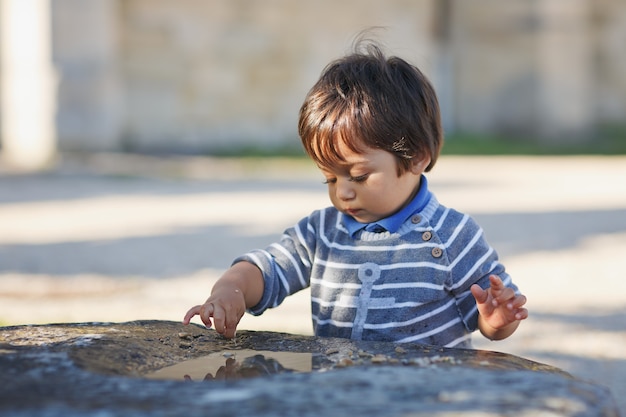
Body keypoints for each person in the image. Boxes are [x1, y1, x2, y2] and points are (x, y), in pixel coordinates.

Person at [183, 40, 528, 348]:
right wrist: (232, 289)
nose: (342, 193)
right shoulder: (323, 231)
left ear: (417, 156)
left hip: (425, 394)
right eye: (329, 179)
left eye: (359, 176)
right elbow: (270, 267)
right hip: (345, 389)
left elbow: (488, 317)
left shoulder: (452, 237)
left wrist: (497, 320)